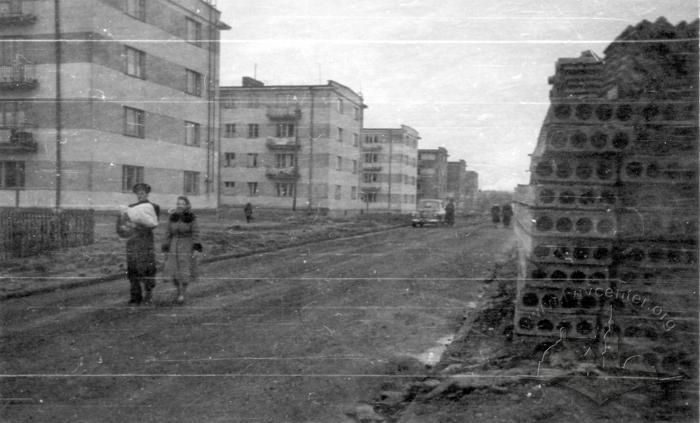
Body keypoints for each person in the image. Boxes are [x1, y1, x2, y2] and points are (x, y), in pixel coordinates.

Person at [116, 183, 160, 305]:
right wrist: (126, 226)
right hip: (132, 241)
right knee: (133, 267)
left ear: (147, 193)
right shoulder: (130, 207)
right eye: (138, 193)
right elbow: (124, 223)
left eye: (143, 193)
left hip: (145, 241)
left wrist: (137, 226)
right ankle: (135, 296)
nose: (140, 195)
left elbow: (153, 224)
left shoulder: (153, 207)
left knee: (147, 267)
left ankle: (149, 293)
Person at [162, 196, 202, 304]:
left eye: (182, 204)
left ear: (187, 205)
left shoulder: (191, 218)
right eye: (178, 203)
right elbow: (167, 232)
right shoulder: (172, 217)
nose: (180, 205)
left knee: (184, 270)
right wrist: (166, 246)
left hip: (187, 245)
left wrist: (196, 247)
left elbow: (196, 233)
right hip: (174, 245)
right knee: (173, 270)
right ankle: (178, 291)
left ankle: (182, 294)